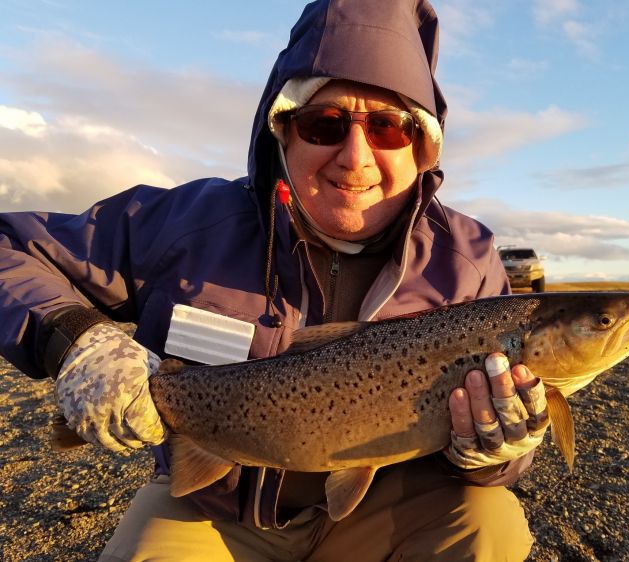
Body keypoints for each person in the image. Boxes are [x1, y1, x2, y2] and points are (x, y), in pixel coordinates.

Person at [0, 1, 550, 560]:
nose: (355, 158)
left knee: (491, 527)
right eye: (325, 124)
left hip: (392, 505)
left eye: (387, 127)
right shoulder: (184, 226)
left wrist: (498, 452)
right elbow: (9, 247)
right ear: (283, 130)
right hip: (214, 508)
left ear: (421, 145)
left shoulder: (468, 255)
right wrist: (74, 341)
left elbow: (499, 460)